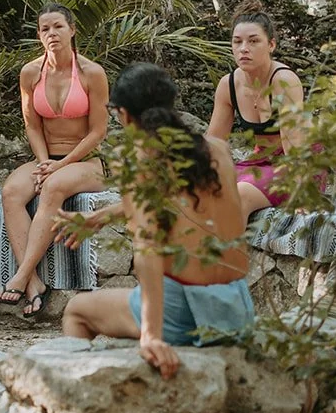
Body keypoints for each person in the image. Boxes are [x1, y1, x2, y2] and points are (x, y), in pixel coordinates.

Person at [58, 63, 254, 379]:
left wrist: (151, 334)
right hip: (235, 305)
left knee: (78, 311)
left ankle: (76, 403)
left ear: (122, 115)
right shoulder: (215, 150)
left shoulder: (140, 159)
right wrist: (100, 216)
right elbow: (173, 198)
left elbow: (147, 245)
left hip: (185, 311)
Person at [0, 3, 110, 318]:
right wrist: (45, 162)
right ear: (39, 35)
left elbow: (98, 131)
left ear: (72, 30)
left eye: (58, 26)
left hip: (86, 159)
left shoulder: (91, 73)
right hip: (48, 157)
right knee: (11, 192)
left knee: (53, 186)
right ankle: (34, 285)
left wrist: (59, 166)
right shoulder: (31, 73)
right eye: (45, 28)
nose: (52, 33)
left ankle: (20, 276)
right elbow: (32, 125)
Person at [207, 0, 321, 219]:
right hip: (260, 162)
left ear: (271, 45)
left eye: (253, 41)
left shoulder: (284, 80)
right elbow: (213, 144)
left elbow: (293, 141)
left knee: (239, 196)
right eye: (237, 42)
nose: (243, 49)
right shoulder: (228, 85)